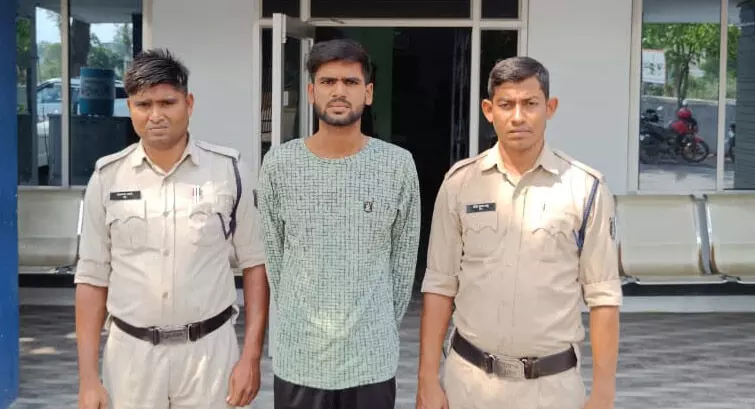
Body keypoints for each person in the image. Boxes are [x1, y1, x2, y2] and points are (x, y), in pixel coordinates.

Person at [416, 56, 621, 409]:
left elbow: (603, 296)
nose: (517, 116)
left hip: (552, 391)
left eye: (530, 104)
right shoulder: (460, 184)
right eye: (506, 104)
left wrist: (603, 393)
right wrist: (427, 379)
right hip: (469, 385)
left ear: (550, 107)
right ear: (488, 109)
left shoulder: (585, 189)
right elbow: (439, 285)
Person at [74, 48, 269, 409]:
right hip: (131, 359)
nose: (156, 115)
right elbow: (91, 278)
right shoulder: (107, 177)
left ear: (188, 104)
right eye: (143, 104)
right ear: (130, 107)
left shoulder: (229, 171)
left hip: (210, 356)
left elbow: (255, 264)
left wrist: (251, 356)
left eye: (167, 102)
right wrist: (87, 377)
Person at [258, 38, 421, 409]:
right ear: (312, 92)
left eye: (350, 82)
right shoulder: (279, 165)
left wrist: (372, 326)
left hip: (371, 362)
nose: (339, 91)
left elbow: (402, 266)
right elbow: (275, 262)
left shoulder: (397, 166)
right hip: (300, 361)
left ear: (368, 93)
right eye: (328, 82)